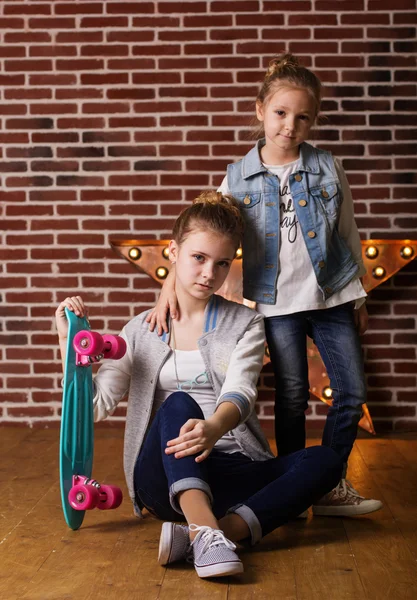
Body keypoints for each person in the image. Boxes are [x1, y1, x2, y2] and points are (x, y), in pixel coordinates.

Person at [56, 191, 342, 579]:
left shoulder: (245, 323)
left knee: (325, 461)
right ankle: (205, 530)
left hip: (230, 469)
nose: (210, 274)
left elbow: (240, 392)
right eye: (199, 258)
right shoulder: (139, 331)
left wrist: (213, 429)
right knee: (178, 402)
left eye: (222, 263)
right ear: (173, 252)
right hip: (163, 478)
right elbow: (90, 408)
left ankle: (213, 535)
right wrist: (67, 344)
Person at [147, 55, 382, 517]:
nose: (290, 126)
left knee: (351, 393)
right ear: (260, 110)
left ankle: (329, 484)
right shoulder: (237, 177)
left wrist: (359, 294)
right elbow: (202, 227)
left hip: (333, 295)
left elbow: (348, 233)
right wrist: (166, 288)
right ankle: (295, 486)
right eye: (280, 113)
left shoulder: (328, 167)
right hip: (276, 304)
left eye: (302, 117)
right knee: (292, 396)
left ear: (312, 120)